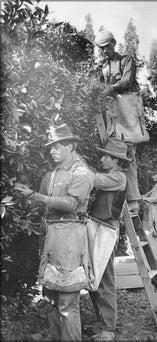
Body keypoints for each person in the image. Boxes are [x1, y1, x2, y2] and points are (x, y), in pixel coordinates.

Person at [17, 124, 94, 341]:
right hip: (50, 235)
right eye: (51, 147)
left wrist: (36, 196)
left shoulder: (82, 173)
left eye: (57, 146)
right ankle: (56, 336)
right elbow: (41, 204)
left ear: (71, 146)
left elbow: (70, 204)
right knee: (50, 292)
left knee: (68, 297)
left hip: (69, 235)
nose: (52, 151)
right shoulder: (51, 175)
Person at [95, 30, 145, 214]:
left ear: (114, 43)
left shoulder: (126, 60)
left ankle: (133, 200)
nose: (105, 51)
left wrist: (109, 89)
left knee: (129, 154)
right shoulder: (101, 67)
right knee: (112, 153)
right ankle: (115, 195)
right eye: (101, 48)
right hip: (112, 115)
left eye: (107, 47)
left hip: (128, 112)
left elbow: (126, 82)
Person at [88, 138, 129, 341]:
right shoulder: (111, 175)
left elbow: (94, 180)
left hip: (105, 231)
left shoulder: (118, 177)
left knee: (104, 280)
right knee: (94, 277)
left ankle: (108, 330)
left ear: (115, 160)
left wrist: (76, 165)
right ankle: (102, 322)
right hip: (97, 228)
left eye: (106, 156)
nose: (102, 159)